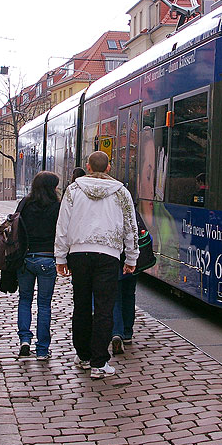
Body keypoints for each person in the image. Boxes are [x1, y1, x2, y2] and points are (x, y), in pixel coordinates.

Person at [55, 151, 138, 379]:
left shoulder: (73, 190)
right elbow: (130, 227)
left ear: (89, 166)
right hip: (108, 254)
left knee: (81, 305)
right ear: (109, 168)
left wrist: (61, 257)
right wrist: (131, 258)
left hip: (79, 253)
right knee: (104, 307)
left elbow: (63, 225)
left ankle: (83, 356)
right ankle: (99, 362)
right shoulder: (121, 192)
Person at [14, 171, 61, 361]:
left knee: (24, 300)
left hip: (26, 258)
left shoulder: (25, 203)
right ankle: (42, 349)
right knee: (44, 305)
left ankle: (24, 340)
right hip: (48, 259)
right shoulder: (58, 207)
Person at [111, 208, 150, 355]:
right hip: (131, 259)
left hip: (114, 258)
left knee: (115, 297)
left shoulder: (108, 208)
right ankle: (127, 332)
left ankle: (117, 333)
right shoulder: (130, 207)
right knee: (129, 295)